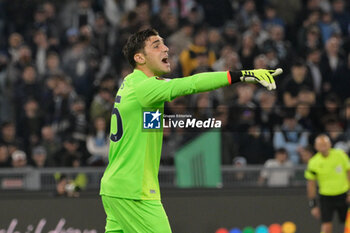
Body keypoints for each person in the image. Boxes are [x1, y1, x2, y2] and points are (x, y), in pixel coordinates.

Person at [99, 28, 282, 233]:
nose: (166, 48)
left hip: (116, 187)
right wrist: (241, 75)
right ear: (139, 57)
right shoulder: (144, 88)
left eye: (164, 43)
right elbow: (192, 83)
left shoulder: (132, 84)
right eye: (156, 45)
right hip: (134, 191)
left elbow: (143, 130)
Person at [305, 134, 350, 233]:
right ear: (316, 147)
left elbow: (349, 173)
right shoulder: (313, 162)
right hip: (326, 197)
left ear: (330, 144)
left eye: (325, 144)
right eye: (320, 145)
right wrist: (313, 205)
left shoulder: (341, 155)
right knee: (326, 224)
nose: (323, 147)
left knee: (349, 223)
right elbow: (311, 184)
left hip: (344, 195)